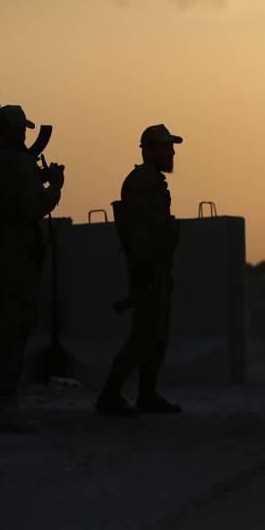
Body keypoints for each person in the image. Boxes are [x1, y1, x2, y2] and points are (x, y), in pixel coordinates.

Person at [0, 104, 65, 431]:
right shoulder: (20, 165)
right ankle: (6, 408)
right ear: (18, 131)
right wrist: (55, 186)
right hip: (16, 263)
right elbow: (33, 207)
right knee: (12, 336)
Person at [96, 124, 184, 416]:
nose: (171, 151)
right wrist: (145, 268)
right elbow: (139, 229)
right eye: (165, 146)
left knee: (156, 335)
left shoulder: (154, 181)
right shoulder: (140, 181)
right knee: (143, 335)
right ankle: (110, 395)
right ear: (148, 150)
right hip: (148, 268)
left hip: (157, 267)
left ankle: (147, 395)